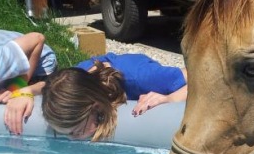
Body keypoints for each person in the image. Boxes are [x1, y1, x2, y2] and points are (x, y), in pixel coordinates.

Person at [41, 53, 187, 141]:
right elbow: (49, 84)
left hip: (138, 70)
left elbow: (201, 78)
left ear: (96, 108)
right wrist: (24, 92)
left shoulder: (140, 78)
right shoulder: (74, 82)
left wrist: (171, 99)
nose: (71, 139)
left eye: (76, 131)